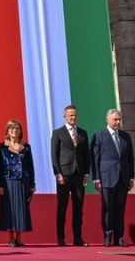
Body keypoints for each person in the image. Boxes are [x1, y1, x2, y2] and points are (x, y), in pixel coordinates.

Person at [91, 109, 134, 247]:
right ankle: (108, 236)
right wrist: (96, 178)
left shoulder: (125, 136)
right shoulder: (99, 135)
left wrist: (131, 177)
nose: (118, 122)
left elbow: (130, 159)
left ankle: (120, 237)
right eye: (115, 119)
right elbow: (95, 158)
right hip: (107, 177)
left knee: (120, 209)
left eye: (119, 119)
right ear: (107, 120)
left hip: (123, 178)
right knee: (108, 208)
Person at [50, 105, 90, 247]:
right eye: (70, 115)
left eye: (75, 115)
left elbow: (86, 155)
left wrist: (87, 173)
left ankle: (78, 238)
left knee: (78, 208)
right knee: (62, 207)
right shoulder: (58, 133)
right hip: (64, 175)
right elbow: (54, 155)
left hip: (79, 175)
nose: (73, 118)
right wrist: (57, 173)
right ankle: (61, 238)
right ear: (64, 117)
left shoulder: (83, 133)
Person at [0, 119, 35, 247]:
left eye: (17, 128)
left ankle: (19, 237)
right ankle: (11, 237)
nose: (14, 130)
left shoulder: (27, 147)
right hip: (8, 182)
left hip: (23, 181)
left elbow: (30, 166)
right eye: (12, 128)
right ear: (7, 131)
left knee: (22, 210)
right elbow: (0, 167)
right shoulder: (2, 147)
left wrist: (32, 185)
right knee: (9, 209)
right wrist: (0, 185)